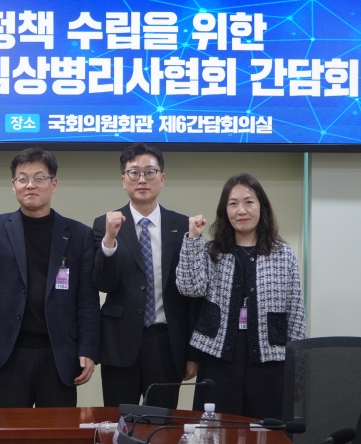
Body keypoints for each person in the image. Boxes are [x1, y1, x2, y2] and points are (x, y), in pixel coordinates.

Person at [0, 147, 99, 408]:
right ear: (13, 185)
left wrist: (88, 349)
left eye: (39, 178)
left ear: (53, 184)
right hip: (10, 349)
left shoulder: (79, 234)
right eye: (22, 179)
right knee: (10, 427)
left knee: (57, 428)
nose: (30, 185)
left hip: (60, 351)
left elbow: (88, 300)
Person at [177, 173, 306, 419]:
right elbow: (189, 287)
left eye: (249, 202)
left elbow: (296, 314)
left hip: (270, 360)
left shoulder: (283, 254)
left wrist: (298, 372)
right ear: (225, 210)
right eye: (233, 204)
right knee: (217, 431)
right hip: (219, 358)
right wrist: (193, 240)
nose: (241, 211)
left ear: (261, 207)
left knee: (266, 431)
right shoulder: (212, 251)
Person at [92, 143, 199, 409]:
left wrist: (192, 353)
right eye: (134, 173)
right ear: (123, 180)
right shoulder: (105, 224)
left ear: (161, 179)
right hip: (119, 343)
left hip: (166, 343)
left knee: (162, 422)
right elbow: (103, 284)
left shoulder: (182, 226)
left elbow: (192, 295)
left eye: (150, 172)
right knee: (119, 421)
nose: (142, 179)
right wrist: (109, 240)